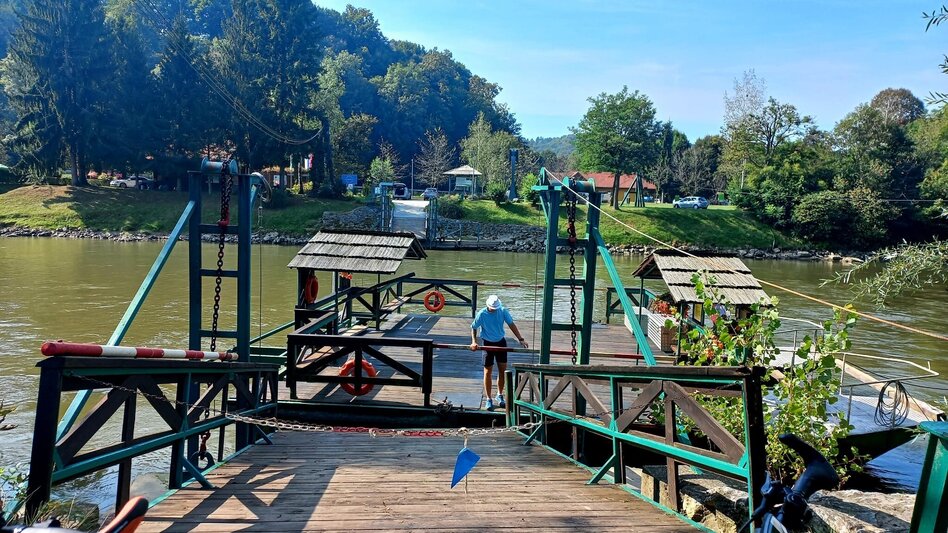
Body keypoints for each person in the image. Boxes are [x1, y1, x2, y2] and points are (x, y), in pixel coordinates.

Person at [469, 295, 528, 410]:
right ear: (488, 306)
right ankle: (488, 398)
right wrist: (474, 342)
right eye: (492, 308)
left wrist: (521, 339)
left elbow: (511, 324)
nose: (494, 310)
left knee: (502, 370)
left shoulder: (502, 311)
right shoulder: (482, 314)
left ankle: (500, 394)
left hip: (500, 342)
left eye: (495, 308)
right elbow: (473, 327)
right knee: (487, 372)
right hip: (487, 343)